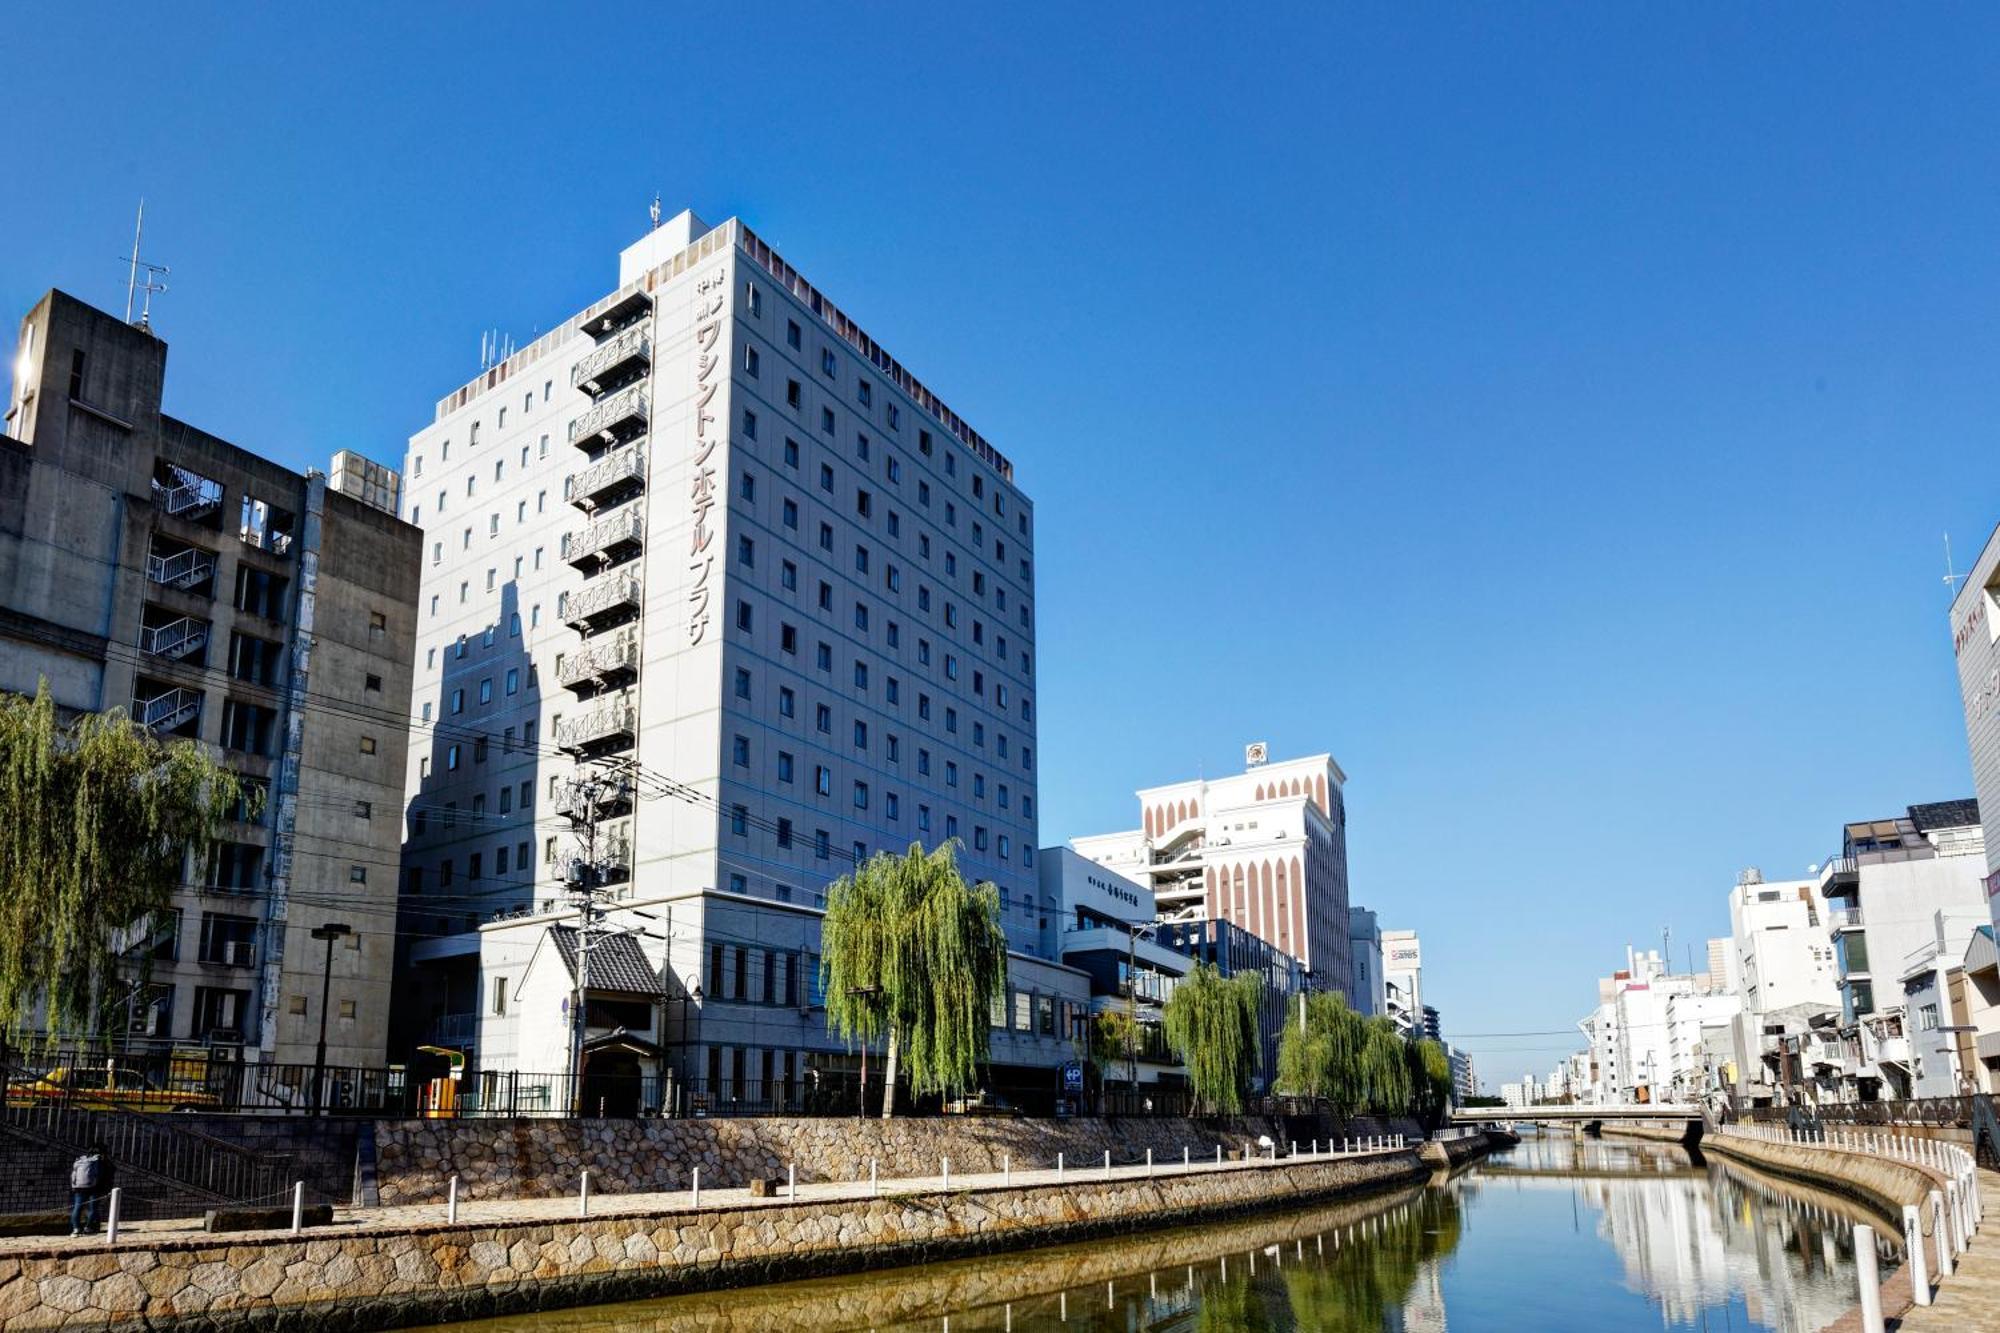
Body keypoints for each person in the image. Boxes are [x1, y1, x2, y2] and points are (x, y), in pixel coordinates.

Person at [68, 1146, 102, 1236]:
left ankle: (76, 1229)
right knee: (92, 1208)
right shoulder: (96, 1160)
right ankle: (88, 1228)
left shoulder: (79, 1160)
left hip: (78, 1187)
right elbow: (97, 1174)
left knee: (77, 1208)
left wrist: (73, 1186)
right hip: (92, 1187)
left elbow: (73, 1174)